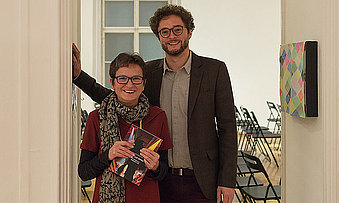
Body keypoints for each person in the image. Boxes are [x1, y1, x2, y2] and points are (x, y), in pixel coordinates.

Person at [73, 4, 237, 203]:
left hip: (202, 179)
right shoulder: (148, 72)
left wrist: (227, 180)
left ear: (190, 32)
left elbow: (228, 128)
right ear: (158, 37)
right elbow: (118, 96)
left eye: (178, 29)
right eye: (164, 32)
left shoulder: (214, 70)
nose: (172, 36)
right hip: (159, 179)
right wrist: (79, 76)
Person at [78, 52, 173, 203]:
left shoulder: (157, 116)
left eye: (136, 79)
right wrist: (108, 155)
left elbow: (164, 171)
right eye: (122, 78)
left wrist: (156, 167)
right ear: (112, 83)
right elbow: (84, 172)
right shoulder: (96, 118)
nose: (129, 85)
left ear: (143, 84)